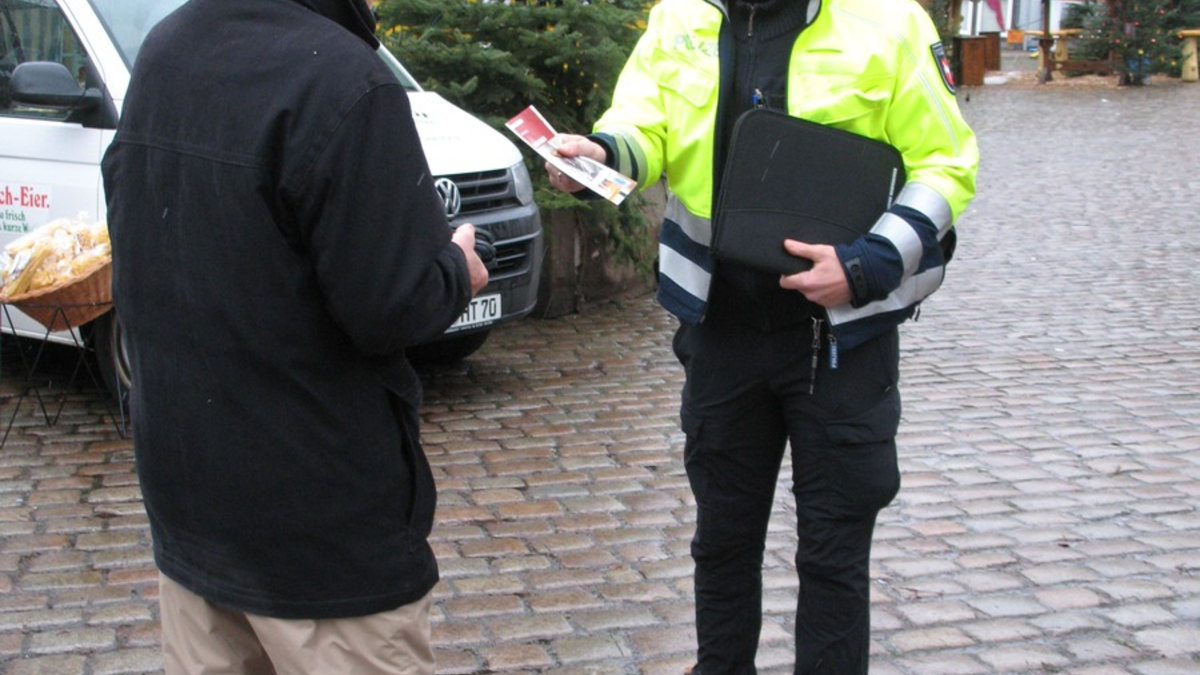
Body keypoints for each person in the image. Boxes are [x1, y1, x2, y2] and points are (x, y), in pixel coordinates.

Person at [548, 0, 979, 673]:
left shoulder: (889, 20)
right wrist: (599, 154)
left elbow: (945, 164)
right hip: (722, 330)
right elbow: (644, 126)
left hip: (838, 343)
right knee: (722, 541)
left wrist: (867, 264)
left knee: (833, 555)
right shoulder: (679, 17)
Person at [100, 0, 488, 672]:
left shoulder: (166, 48)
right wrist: (458, 270)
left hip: (190, 506)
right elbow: (392, 305)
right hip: (322, 540)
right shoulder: (345, 79)